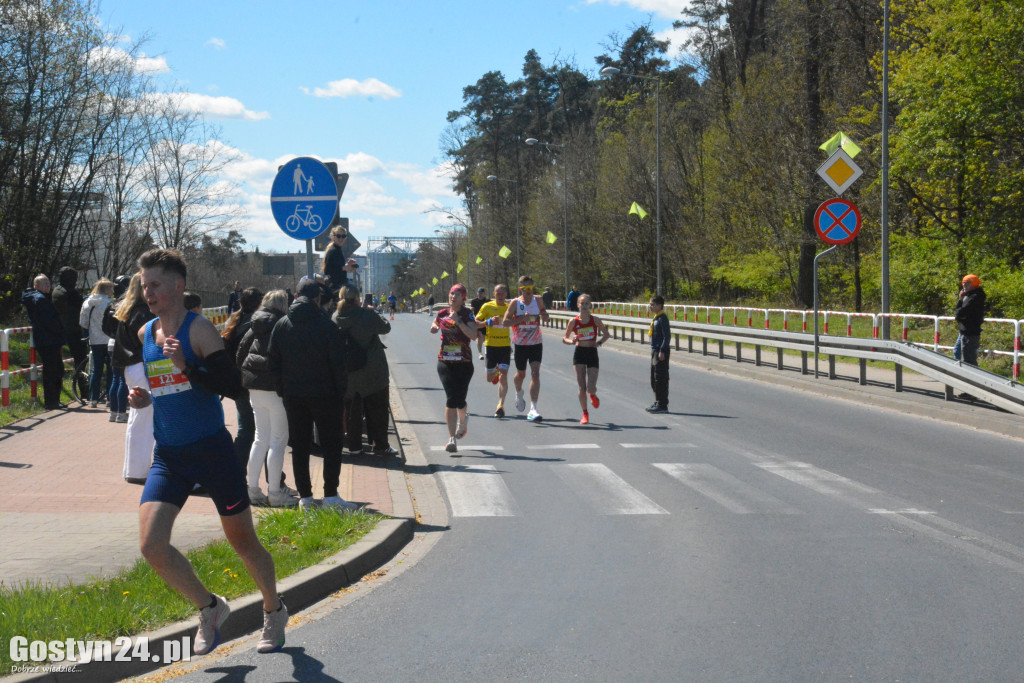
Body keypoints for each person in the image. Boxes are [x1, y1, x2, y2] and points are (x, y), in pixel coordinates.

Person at [126, 248, 287, 656]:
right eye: (144, 286)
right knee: (151, 545)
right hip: (170, 456)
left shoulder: (200, 331)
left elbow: (233, 386)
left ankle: (273, 609)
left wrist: (188, 366)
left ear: (178, 286)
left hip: (212, 452)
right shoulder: (146, 334)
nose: (149, 293)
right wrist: (144, 398)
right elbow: (166, 387)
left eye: (155, 285)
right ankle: (210, 607)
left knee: (243, 543)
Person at [267, 277, 357, 511]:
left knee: (300, 446)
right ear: (317, 298)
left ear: (295, 297)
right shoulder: (326, 325)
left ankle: (305, 499)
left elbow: (273, 361)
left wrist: (282, 390)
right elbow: (339, 364)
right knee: (331, 445)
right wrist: (340, 392)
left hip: (294, 395)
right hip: (325, 395)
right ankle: (330, 497)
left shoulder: (282, 325)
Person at [237, 290, 296, 508]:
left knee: (260, 438)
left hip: (254, 388)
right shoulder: (284, 324)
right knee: (278, 442)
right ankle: (275, 492)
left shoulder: (254, 324)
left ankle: (253, 489)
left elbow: (240, 353)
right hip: (276, 389)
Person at [334, 285, 397, 456]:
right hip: (373, 371)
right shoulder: (367, 315)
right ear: (357, 298)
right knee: (378, 410)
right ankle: (381, 445)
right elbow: (385, 327)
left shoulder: (336, 317)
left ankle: (354, 447)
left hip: (348, 372)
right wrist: (374, 310)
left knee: (351, 412)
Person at [113, 273, 155, 478]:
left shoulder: (128, 311)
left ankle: (134, 469)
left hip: (132, 367)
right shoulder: (142, 313)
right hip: (141, 366)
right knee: (144, 418)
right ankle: (137, 471)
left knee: (138, 418)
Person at [430, 284, 480, 453]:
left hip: (464, 362)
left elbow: (473, 336)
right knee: (451, 399)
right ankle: (452, 438)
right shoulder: (442, 313)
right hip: (444, 361)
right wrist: (435, 327)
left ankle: (463, 417)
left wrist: (458, 320)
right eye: (451, 294)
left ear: (463, 298)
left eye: (457, 295)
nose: (453, 297)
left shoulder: (467, 314)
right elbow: (436, 322)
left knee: (460, 400)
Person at [222, 287, 264, 472]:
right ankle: (275, 479)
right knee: (261, 432)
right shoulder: (256, 325)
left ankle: (236, 470)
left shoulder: (233, 323)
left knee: (246, 429)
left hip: (237, 382)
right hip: (253, 383)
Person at [502, 275, 550, 422]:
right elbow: (505, 322)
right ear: (520, 289)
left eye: (530, 288)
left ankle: (533, 409)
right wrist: (521, 319)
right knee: (521, 374)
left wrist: (545, 316)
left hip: (536, 342)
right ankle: (518, 391)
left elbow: (544, 313)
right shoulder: (515, 303)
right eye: (524, 288)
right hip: (520, 344)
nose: (528, 291)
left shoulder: (538, 300)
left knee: (535, 374)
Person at [562, 294, 610, 424]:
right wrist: (572, 341)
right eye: (582, 303)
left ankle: (593, 395)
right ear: (578, 305)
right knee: (582, 387)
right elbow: (564, 338)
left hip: (592, 353)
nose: (584, 306)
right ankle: (585, 414)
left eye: (586, 304)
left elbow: (607, 334)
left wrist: (599, 343)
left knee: (591, 387)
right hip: (579, 353)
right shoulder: (573, 321)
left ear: (590, 305)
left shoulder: (595, 320)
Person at [21, 274, 66, 410]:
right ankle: (51, 402)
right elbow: (49, 320)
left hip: (47, 338)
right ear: (36, 285)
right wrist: (60, 332)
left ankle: (54, 400)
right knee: (53, 371)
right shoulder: (40, 300)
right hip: (48, 339)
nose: (48, 286)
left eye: (48, 283)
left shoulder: (38, 298)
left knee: (55, 369)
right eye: (44, 283)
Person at [51, 266, 88, 400]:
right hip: (74, 331)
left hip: (61, 330)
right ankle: (84, 391)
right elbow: (81, 307)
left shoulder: (56, 291)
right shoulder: (70, 293)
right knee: (81, 362)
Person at [475, 283, 511, 417]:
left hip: (505, 346)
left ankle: (500, 405)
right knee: (490, 379)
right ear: (494, 294)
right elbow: (475, 322)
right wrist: (488, 321)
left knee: (504, 374)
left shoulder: (509, 308)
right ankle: (493, 373)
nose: (500, 295)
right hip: (490, 346)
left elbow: (516, 322)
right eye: (498, 293)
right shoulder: (487, 306)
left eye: (503, 293)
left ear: (506, 295)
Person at [79, 279, 114, 408]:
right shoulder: (110, 303)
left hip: (94, 339)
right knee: (111, 369)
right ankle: (110, 398)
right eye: (111, 289)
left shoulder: (87, 303)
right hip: (109, 339)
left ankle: (93, 398)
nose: (113, 291)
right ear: (106, 290)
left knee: (96, 369)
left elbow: (82, 322)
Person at [955, 273, 987, 370]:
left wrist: (960, 312)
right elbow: (959, 315)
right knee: (957, 352)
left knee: (969, 359)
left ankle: (973, 378)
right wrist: (960, 300)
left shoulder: (975, 297)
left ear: (974, 284)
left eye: (967, 283)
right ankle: (958, 372)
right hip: (964, 330)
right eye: (963, 283)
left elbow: (960, 314)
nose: (964, 285)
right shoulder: (967, 296)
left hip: (970, 331)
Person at [647, 295, 671, 413]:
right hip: (655, 350)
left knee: (660, 378)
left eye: (652, 304)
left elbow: (667, 337)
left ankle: (662, 405)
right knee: (654, 379)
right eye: (650, 304)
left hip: (660, 352)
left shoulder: (662, 318)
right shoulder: (657, 318)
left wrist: (662, 350)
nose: (650, 306)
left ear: (659, 305)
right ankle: (657, 402)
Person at [321, 226, 357, 301]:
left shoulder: (337, 250)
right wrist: (344, 268)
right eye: (338, 236)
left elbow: (337, 266)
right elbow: (327, 270)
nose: (341, 238)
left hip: (339, 287)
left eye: (343, 236)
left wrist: (347, 266)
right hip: (335, 289)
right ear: (333, 237)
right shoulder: (333, 251)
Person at [470, 286, 490, 360]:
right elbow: (471, 310)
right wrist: (470, 311)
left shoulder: (488, 301)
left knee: (485, 338)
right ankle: (480, 353)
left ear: (484, 294)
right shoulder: (474, 301)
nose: (480, 294)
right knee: (480, 337)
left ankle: (486, 351)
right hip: (478, 321)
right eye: (479, 292)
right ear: (477, 293)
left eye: (481, 293)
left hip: (487, 321)